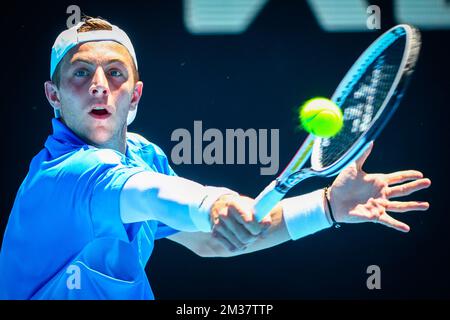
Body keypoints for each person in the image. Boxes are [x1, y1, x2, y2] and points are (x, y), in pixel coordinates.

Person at [0, 17, 431, 300]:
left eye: (115, 73)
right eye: (81, 72)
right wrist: (215, 204)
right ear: (52, 95)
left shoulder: (143, 155)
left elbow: (215, 240)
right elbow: (153, 195)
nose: (99, 85)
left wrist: (326, 207)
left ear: (136, 93)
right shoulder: (65, 175)